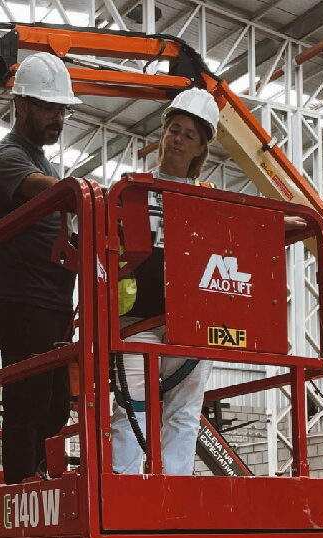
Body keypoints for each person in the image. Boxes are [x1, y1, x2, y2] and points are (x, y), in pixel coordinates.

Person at [0, 52, 82, 485]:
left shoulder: (44, 160)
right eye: (48, 107)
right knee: (28, 398)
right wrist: (84, 191)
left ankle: (39, 474)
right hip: (23, 300)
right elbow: (45, 192)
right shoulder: (8, 157)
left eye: (62, 109)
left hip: (53, 303)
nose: (57, 118)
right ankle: (22, 482)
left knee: (57, 403)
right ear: (21, 104)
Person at [110, 88, 220, 476]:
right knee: (131, 410)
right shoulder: (130, 191)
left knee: (183, 414)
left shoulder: (208, 204)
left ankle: (174, 493)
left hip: (189, 326)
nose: (178, 138)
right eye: (174, 129)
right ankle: (125, 492)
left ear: (200, 149)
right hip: (136, 321)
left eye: (189, 135)